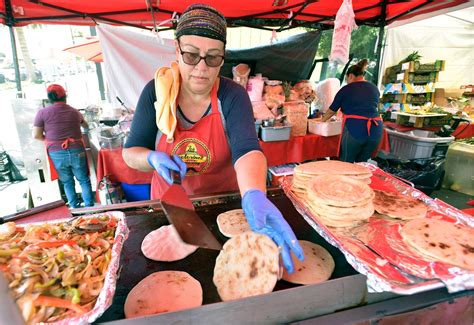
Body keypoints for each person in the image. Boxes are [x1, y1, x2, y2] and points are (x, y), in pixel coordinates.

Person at [122, 3, 304, 273]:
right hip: (172, 208)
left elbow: (247, 150)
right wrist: (150, 157)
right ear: (177, 50)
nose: (201, 68)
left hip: (223, 203)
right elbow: (130, 152)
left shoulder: (232, 96)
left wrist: (253, 194)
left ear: (223, 57)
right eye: (191, 55)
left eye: (213, 57)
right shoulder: (156, 92)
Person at [32, 84, 94, 208]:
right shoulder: (74, 111)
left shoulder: (42, 113)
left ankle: (74, 209)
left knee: (67, 182)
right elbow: (86, 126)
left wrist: (51, 140)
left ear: (49, 98)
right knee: (84, 180)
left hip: (57, 152)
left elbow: (36, 135)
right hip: (77, 149)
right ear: (65, 96)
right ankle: (90, 209)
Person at [321, 59, 383, 162]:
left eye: (346, 79)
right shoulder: (374, 88)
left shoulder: (346, 89)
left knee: (346, 163)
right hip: (376, 130)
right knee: (362, 165)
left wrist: (321, 122)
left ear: (350, 76)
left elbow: (331, 111)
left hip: (355, 129)